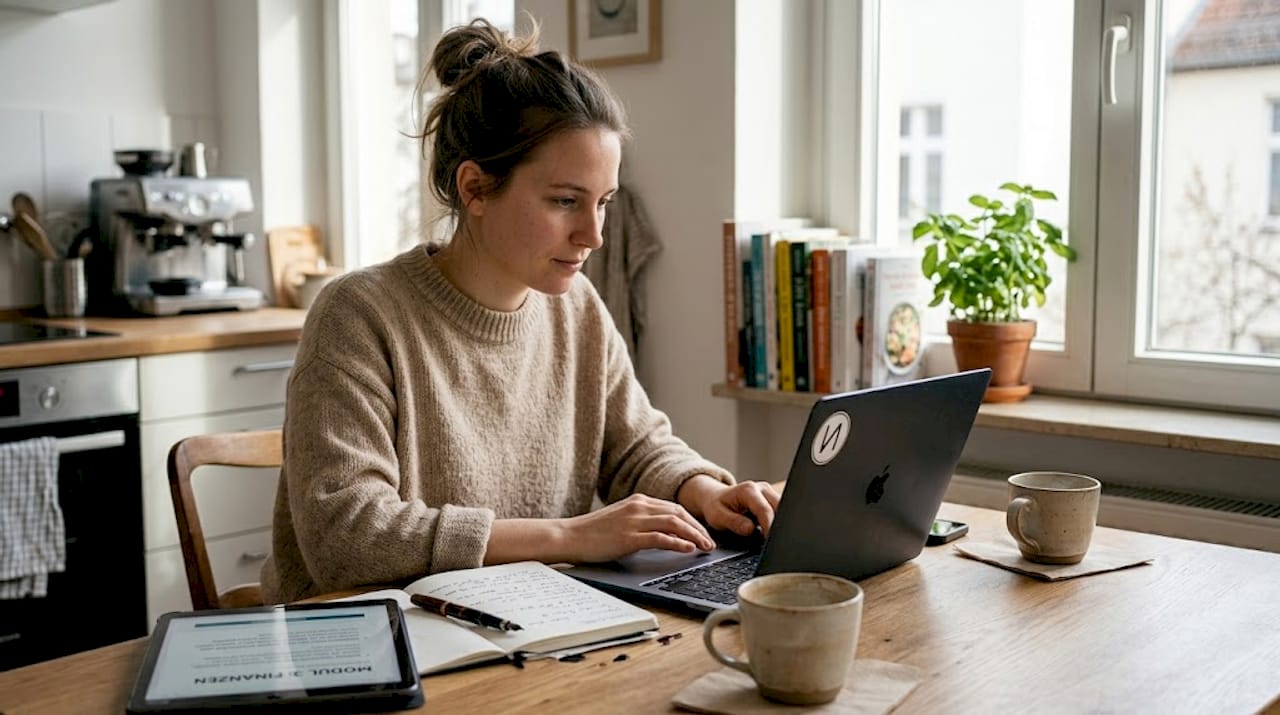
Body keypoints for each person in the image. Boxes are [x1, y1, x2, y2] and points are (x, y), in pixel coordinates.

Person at [260, 18, 778, 604]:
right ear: (475, 189)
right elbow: (347, 538)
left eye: (603, 203)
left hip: (520, 623)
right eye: (565, 201)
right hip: (365, 647)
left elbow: (636, 446)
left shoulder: (577, 308)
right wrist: (568, 536)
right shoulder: (359, 316)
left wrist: (702, 490)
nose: (594, 235)